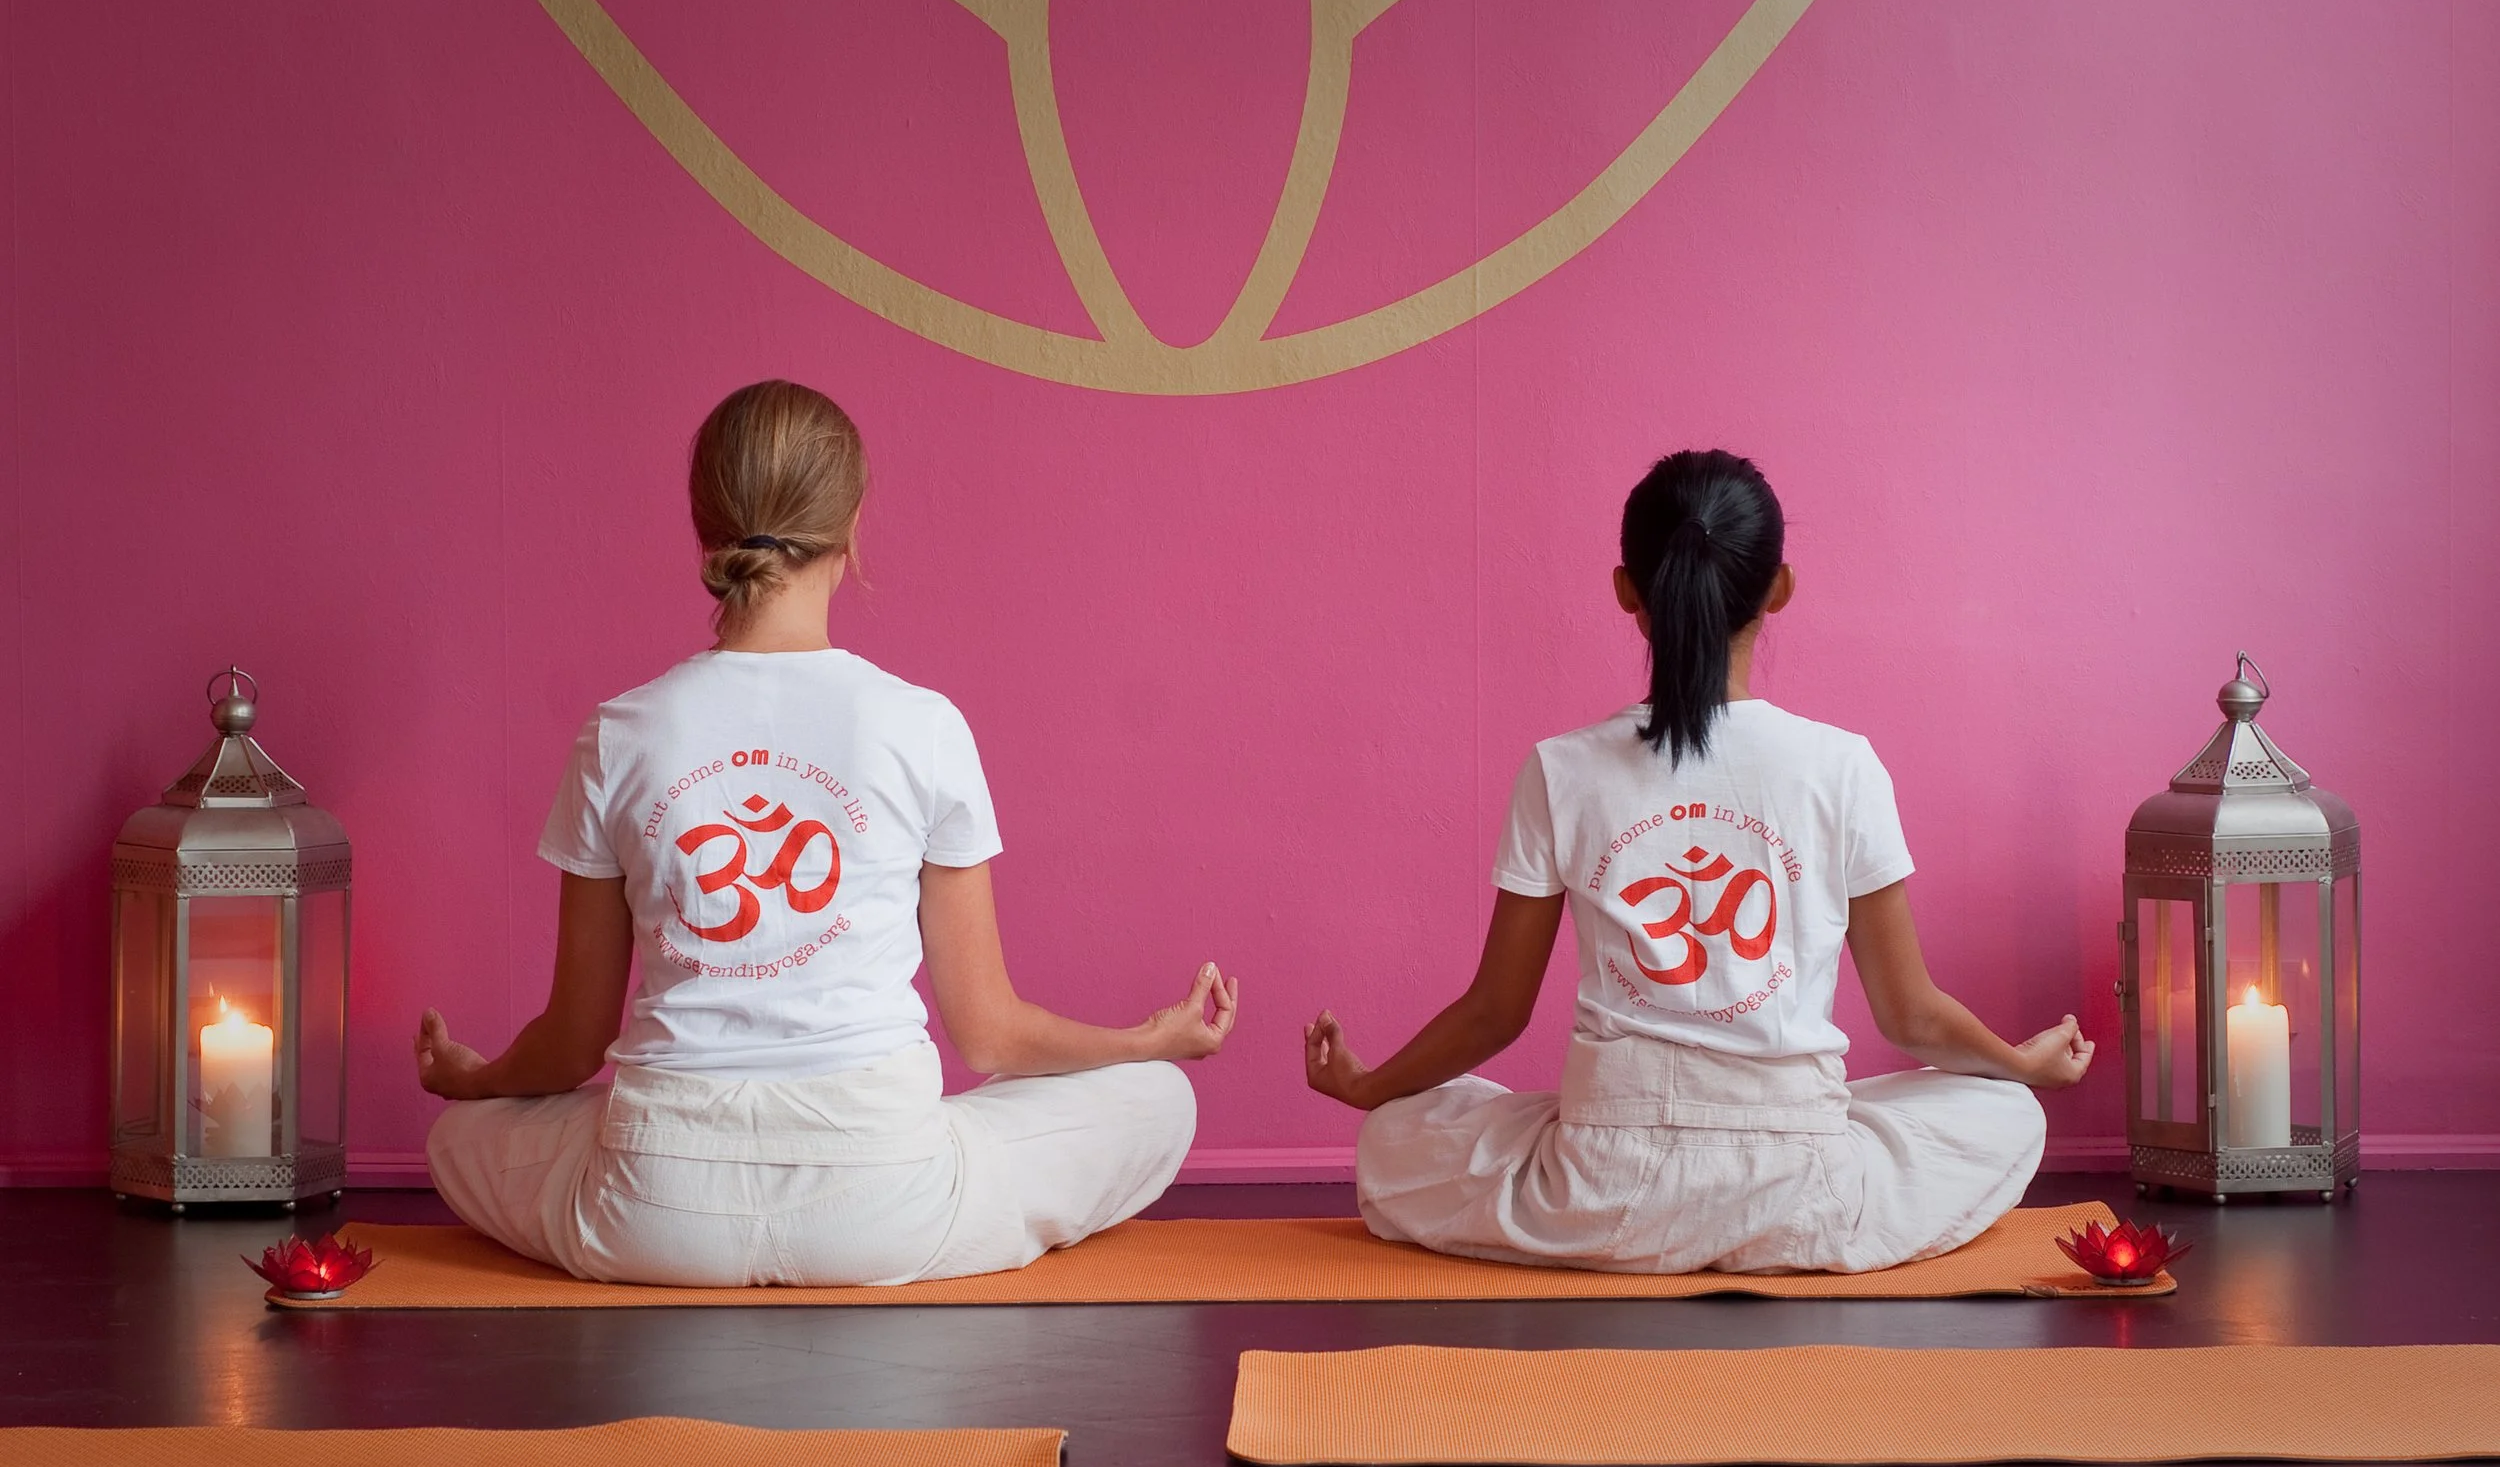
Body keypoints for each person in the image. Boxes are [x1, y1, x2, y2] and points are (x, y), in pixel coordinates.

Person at [416, 379, 1236, 1286]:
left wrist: (474, 1078)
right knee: (1156, 1099)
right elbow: (992, 1037)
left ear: (705, 528)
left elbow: (572, 1046)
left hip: (659, 1211)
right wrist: (1144, 1042)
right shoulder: (922, 724)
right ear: (851, 531)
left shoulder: (620, 731)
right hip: (884, 1202)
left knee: (462, 1136)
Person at [1302, 449, 2085, 1275]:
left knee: (1393, 1137)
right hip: (1804, 1185)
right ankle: (1759, 1230)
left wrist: (1368, 1086)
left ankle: (1646, 1230)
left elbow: (1496, 1011)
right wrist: (2019, 1062)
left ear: (1627, 590)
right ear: (1779, 587)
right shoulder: (1843, 765)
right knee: (2007, 1112)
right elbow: (1909, 1015)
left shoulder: (1559, 768)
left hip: (1602, 1186)